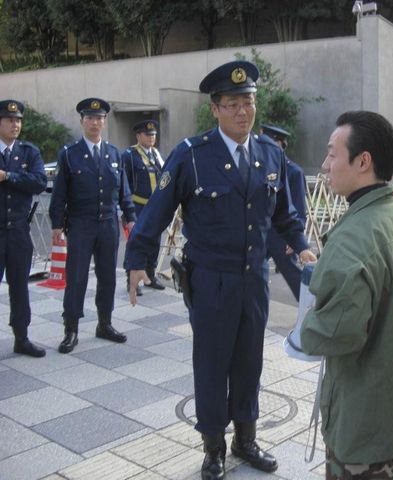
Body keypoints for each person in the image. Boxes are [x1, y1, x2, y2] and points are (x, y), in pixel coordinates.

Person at [124, 60, 316, 480]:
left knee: (249, 361)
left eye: (248, 102)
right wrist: (138, 260)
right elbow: (156, 212)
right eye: (232, 104)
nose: (242, 111)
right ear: (215, 109)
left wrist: (302, 248)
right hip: (210, 280)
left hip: (254, 278)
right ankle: (213, 446)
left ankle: (246, 440)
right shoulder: (193, 156)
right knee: (211, 364)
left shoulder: (270, 154)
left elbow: (284, 216)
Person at [300, 111, 393, 479]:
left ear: (363, 162)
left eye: (332, 154)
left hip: (360, 416)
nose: (325, 166)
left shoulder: (352, 238)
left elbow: (334, 333)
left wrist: (305, 326)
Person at [49, 97, 136, 354]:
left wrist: (130, 217)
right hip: (80, 224)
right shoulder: (70, 154)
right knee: (76, 277)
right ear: (82, 121)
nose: (95, 122)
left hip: (108, 223)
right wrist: (56, 225)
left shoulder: (114, 154)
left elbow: (124, 191)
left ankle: (105, 323)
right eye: (90, 118)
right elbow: (59, 194)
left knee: (108, 275)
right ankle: (71, 328)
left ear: (105, 122)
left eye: (99, 118)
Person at [0, 100, 47, 358]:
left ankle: (22, 337)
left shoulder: (29, 152)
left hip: (18, 231)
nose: (15, 125)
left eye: (18, 120)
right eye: (9, 120)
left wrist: (8, 177)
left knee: (20, 287)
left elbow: (39, 182)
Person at [260, 124, 307, 300]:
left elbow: (298, 206)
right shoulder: (262, 167)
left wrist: (296, 236)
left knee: (293, 274)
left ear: (279, 144)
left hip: (281, 233)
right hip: (262, 229)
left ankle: (309, 307)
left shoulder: (294, 171)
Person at [122, 119, 165, 295]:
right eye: (147, 135)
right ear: (138, 135)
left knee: (154, 242)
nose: (151, 138)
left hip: (155, 207)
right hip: (137, 206)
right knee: (136, 243)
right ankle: (131, 281)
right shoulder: (130, 155)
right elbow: (124, 184)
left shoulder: (156, 154)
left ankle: (150, 276)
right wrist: (126, 210)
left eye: (153, 135)